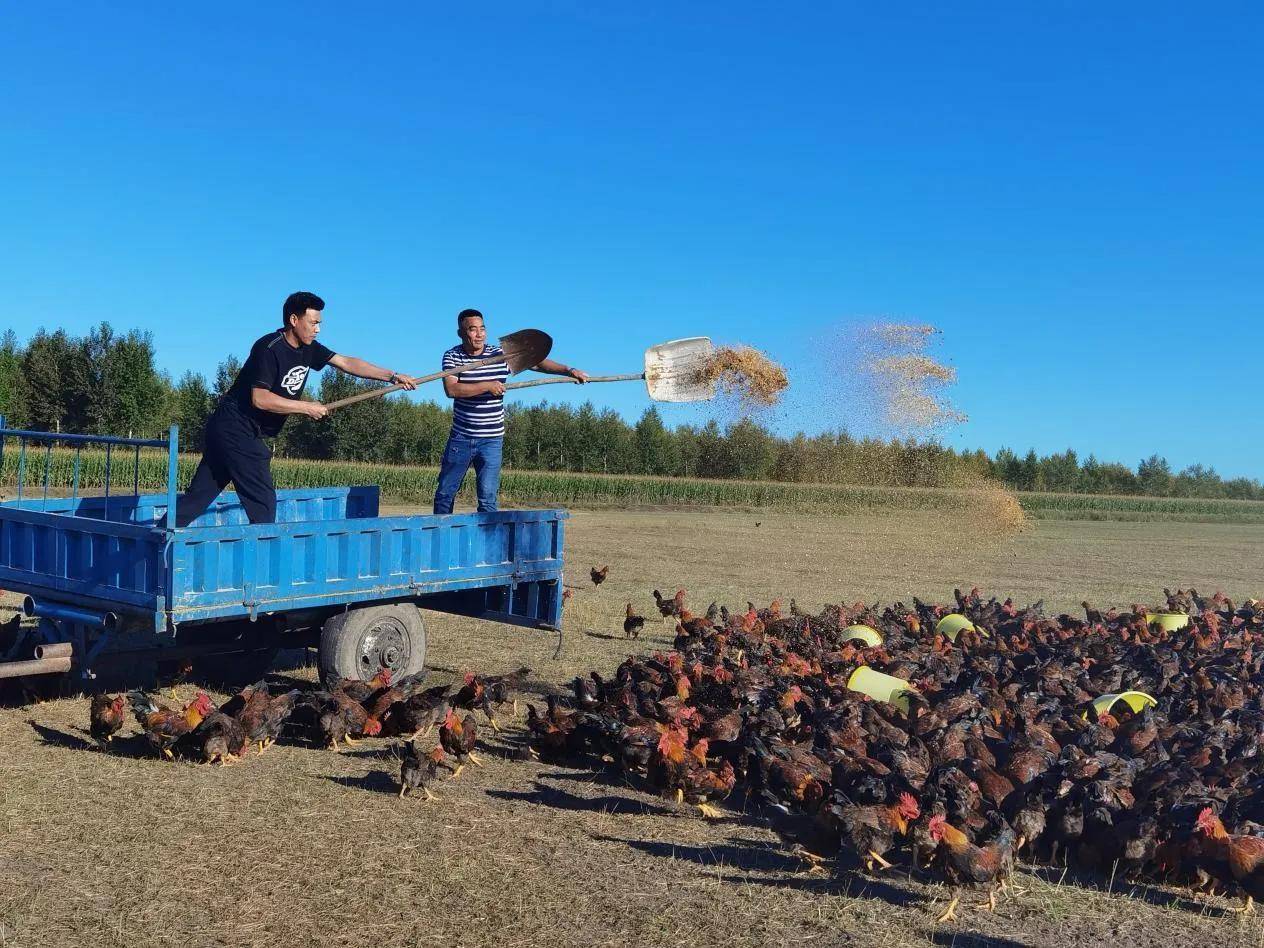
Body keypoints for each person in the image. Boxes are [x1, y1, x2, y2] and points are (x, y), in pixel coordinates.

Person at [175, 291, 419, 527]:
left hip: (239, 431)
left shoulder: (309, 348)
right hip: (234, 426)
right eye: (313, 322)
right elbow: (260, 399)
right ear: (294, 319)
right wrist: (306, 407)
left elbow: (346, 362)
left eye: (319, 323)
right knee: (263, 501)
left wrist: (392, 376)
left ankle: (155, 542)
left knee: (196, 499)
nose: (318, 329)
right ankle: (262, 560)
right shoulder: (269, 348)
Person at [433, 308, 587, 514]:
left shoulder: (501, 355)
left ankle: (488, 545)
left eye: (482, 329)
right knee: (445, 494)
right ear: (461, 333)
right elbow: (452, 389)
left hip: (492, 440)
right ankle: (440, 542)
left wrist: (569, 371)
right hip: (461, 437)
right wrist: (487, 385)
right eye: (472, 329)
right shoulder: (453, 356)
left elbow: (538, 362)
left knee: (488, 500)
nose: (479, 334)